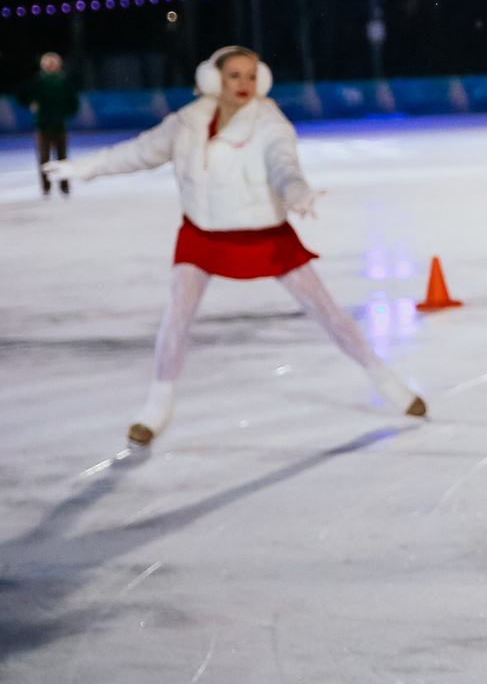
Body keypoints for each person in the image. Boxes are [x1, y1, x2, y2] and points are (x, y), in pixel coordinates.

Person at [43, 46, 425, 445]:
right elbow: (140, 151)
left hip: (262, 233)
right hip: (202, 233)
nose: (244, 84)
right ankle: (158, 405)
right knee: (178, 315)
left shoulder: (269, 122)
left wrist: (297, 191)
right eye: (234, 76)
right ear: (213, 80)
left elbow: (283, 165)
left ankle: (386, 380)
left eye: (251, 76)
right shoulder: (187, 123)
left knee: (326, 311)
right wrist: (85, 167)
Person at [16, 50, 80, 195]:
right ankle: (46, 186)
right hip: (43, 125)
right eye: (47, 63)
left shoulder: (63, 82)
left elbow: (73, 103)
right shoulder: (37, 82)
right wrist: (31, 103)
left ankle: (64, 185)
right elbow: (22, 96)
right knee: (44, 157)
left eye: (53, 63)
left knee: (62, 156)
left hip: (58, 124)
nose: (50, 66)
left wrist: (63, 113)